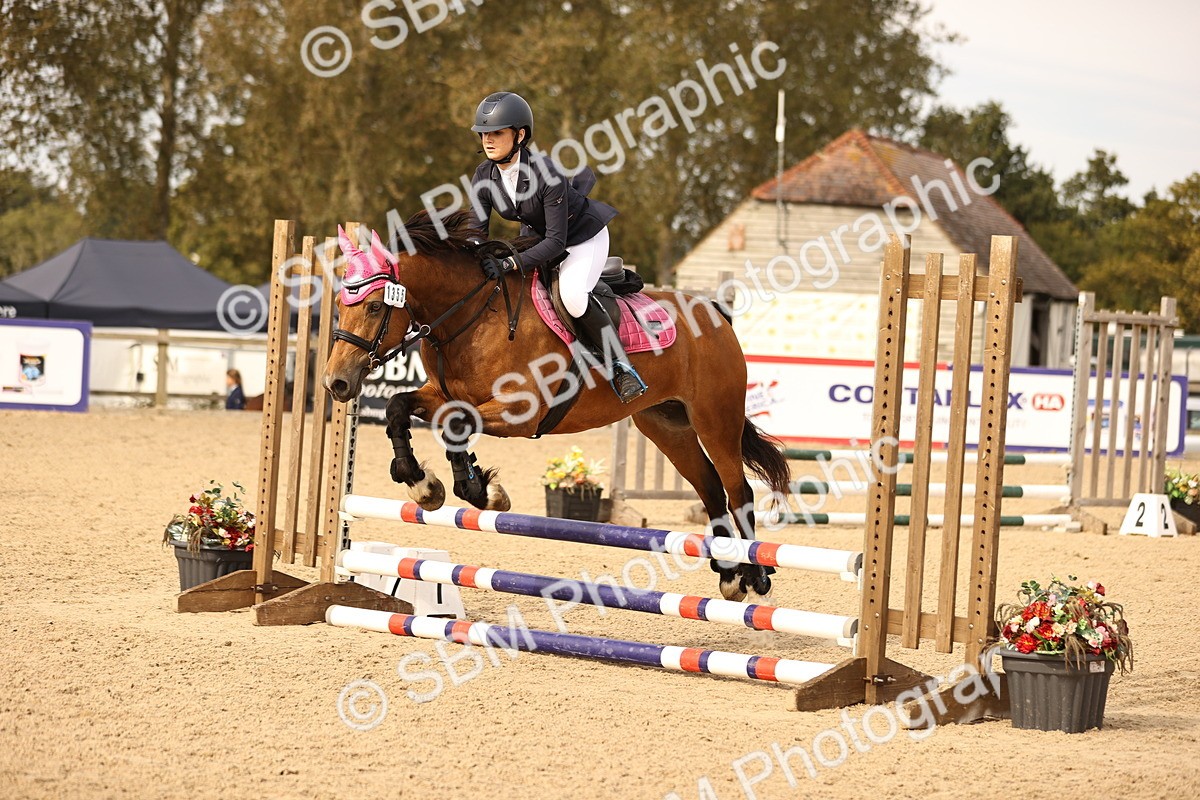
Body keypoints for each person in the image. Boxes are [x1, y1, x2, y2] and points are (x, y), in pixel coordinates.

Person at [467, 91, 648, 403]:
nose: (488, 140)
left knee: (573, 296)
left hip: (582, 237)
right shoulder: (484, 175)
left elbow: (556, 242)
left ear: (520, 135)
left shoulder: (546, 173)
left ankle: (621, 366)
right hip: (540, 237)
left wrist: (510, 264)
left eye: (497, 132)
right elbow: (475, 233)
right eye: (484, 134)